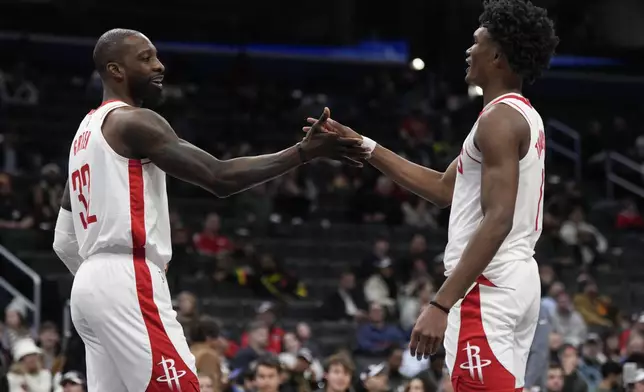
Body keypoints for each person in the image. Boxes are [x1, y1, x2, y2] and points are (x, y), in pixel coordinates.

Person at [51, 28, 368, 392]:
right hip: (126, 276)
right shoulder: (134, 121)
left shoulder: (83, 134)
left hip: (89, 286)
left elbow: (63, 239)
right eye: (145, 58)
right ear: (115, 70)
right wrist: (303, 152)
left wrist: (96, 278)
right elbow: (219, 177)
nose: (159, 65)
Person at [304, 0, 558, 390]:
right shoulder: (522, 115)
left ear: (497, 55)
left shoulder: (498, 121)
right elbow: (443, 189)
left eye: (477, 42)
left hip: (486, 287)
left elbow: (498, 220)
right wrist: (365, 146)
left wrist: (440, 302)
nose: (469, 51)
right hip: (514, 281)